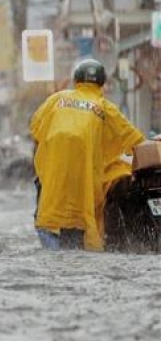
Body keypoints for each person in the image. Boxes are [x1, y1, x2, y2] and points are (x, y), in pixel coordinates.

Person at [31, 59, 148, 251]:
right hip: (83, 182)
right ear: (102, 83)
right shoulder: (104, 107)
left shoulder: (57, 99)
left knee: (51, 220)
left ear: (76, 79)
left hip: (52, 181)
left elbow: (35, 126)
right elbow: (134, 139)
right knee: (78, 224)